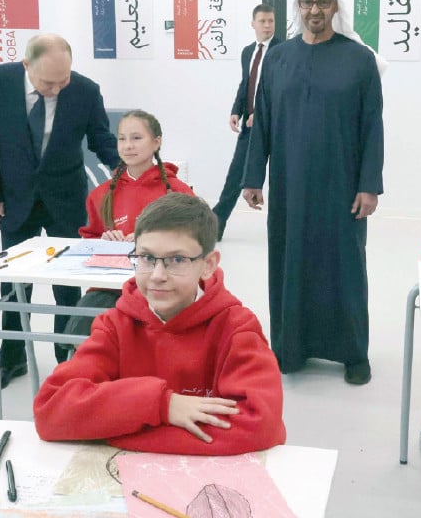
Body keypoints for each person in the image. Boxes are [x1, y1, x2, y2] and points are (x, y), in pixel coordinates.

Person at [33, 193, 287, 455]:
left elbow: (261, 426)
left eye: (177, 260)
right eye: (146, 258)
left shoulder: (236, 329)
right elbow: (51, 410)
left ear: (208, 265)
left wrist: (113, 429)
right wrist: (162, 405)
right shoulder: (114, 325)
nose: (157, 275)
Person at [242, 0, 385, 385]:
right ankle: (291, 348)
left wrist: (369, 184)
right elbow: (262, 121)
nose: (315, 10)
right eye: (306, 1)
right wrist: (254, 176)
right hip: (289, 184)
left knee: (345, 265)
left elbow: (372, 125)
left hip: (341, 184)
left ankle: (353, 353)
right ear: (297, 7)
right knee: (290, 262)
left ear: (336, 6)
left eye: (323, 2)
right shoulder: (279, 57)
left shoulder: (360, 59)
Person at [0, 33, 119, 393]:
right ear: (26, 66)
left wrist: (125, 168)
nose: (56, 89)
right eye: (48, 82)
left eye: (63, 80)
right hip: (14, 196)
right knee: (14, 280)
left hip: (65, 197)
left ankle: (67, 355)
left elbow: (100, 138)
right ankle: (13, 355)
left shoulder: (84, 90)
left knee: (68, 281)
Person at [63, 109, 193, 341]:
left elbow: (195, 244)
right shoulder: (101, 194)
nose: (128, 146)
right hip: (111, 287)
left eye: (136, 138)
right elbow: (89, 238)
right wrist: (103, 241)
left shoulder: (178, 192)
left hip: (163, 286)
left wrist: (152, 243)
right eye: (122, 139)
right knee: (82, 326)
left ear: (156, 142)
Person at [212, 4, 281, 240]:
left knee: (282, 178)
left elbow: (280, 90)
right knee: (236, 174)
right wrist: (236, 111)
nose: (267, 25)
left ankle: (283, 229)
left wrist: (261, 113)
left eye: (271, 21)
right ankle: (216, 224)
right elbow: (246, 84)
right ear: (253, 24)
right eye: (262, 21)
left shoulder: (284, 51)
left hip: (278, 125)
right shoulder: (247, 52)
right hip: (250, 127)